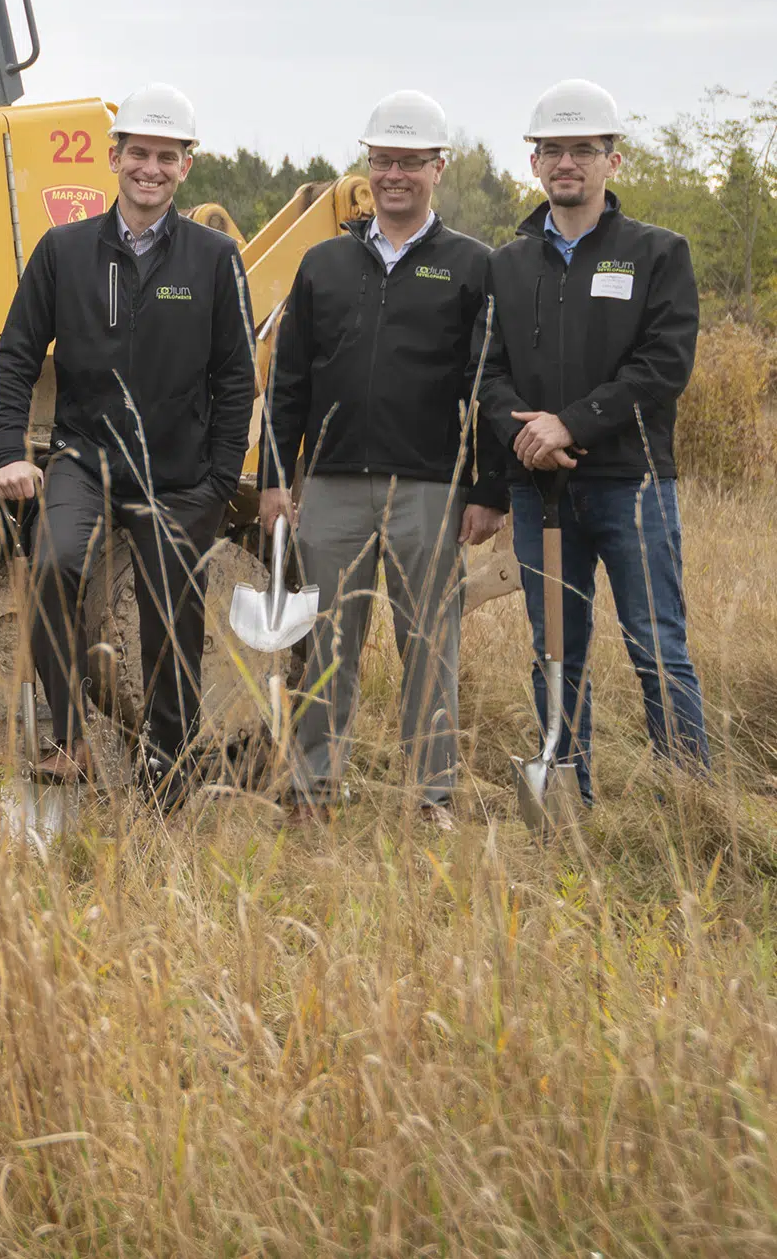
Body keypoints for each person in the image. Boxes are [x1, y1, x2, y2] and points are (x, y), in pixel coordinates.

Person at [0, 83, 256, 803]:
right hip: (84, 458)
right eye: (139, 152)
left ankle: (167, 769)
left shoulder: (215, 259)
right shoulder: (65, 250)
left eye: (167, 156)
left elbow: (237, 379)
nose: (151, 168)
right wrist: (8, 450)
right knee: (52, 565)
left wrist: (220, 483)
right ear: (115, 157)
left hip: (177, 476)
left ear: (186, 166)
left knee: (172, 614)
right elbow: (16, 354)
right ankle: (70, 735)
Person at [259, 91, 508, 830]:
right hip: (331, 487)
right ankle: (313, 787)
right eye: (383, 160)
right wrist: (276, 478)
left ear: (438, 166)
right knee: (327, 637)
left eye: (410, 161)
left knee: (429, 642)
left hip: (429, 489)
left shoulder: (472, 266)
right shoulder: (324, 264)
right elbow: (289, 380)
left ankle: (430, 796)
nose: (394, 174)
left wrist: (489, 486)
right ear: (369, 167)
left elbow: (490, 386)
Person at [479, 78, 708, 797]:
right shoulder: (506, 265)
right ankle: (567, 787)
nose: (567, 162)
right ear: (534, 163)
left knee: (657, 645)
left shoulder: (656, 253)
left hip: (631, 484)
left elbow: (663, 364)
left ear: (614, 160)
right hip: (538, 489)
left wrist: (570, 423)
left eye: (584, 148)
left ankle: (688, 797)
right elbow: (485, 373)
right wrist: (530, 435)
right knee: (556, 648)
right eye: (553, 149)